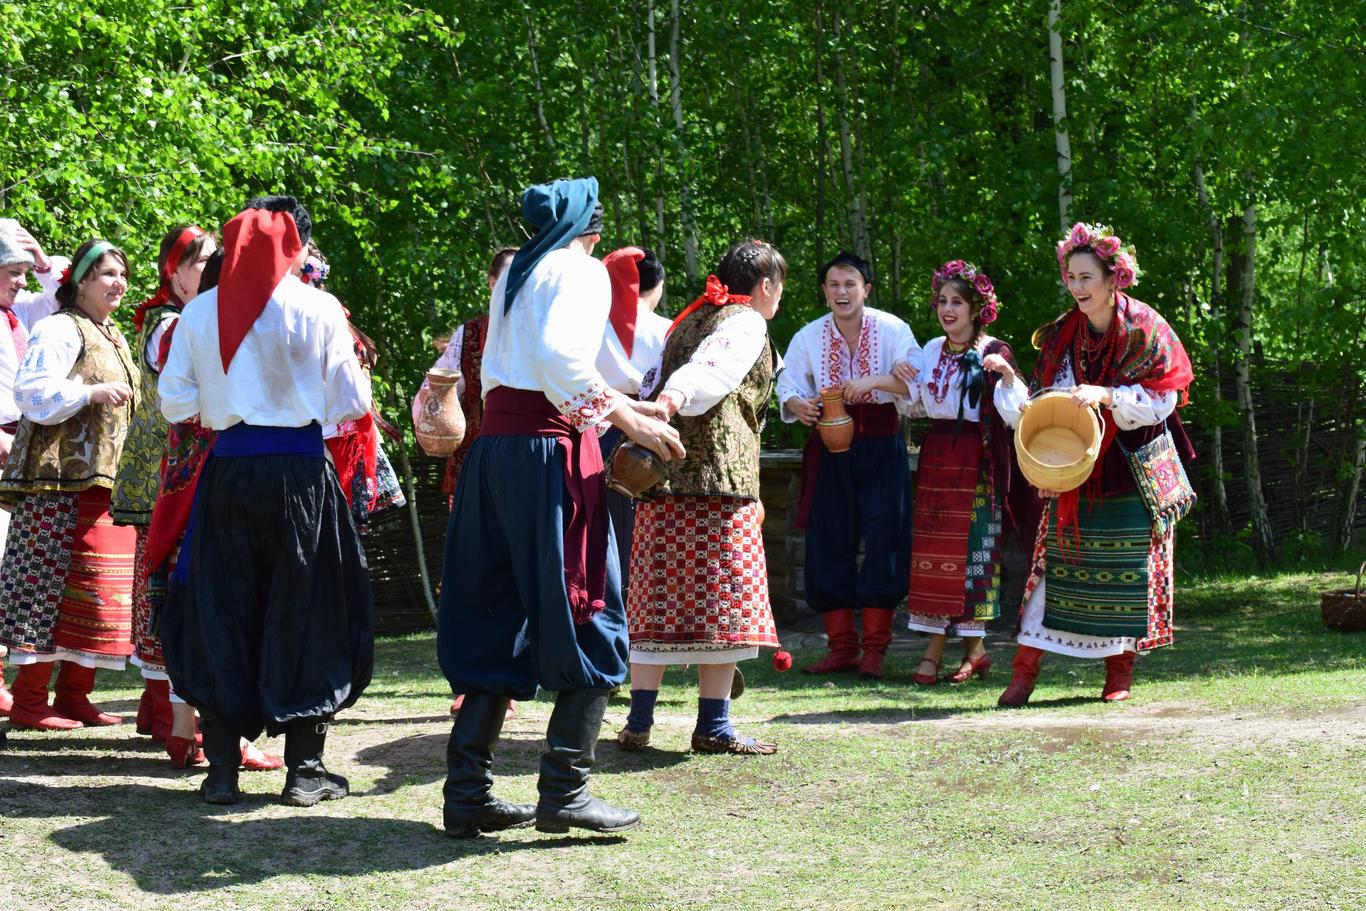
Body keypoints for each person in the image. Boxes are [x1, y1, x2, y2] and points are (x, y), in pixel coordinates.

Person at [438, 176, 683, 839]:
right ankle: (565, 791)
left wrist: (625, 408)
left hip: (495, 453)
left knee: (496, 613)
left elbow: (539, 369)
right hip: (549, 455)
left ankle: (467, 795)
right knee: (590, 606)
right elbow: (562, 364)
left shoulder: (517, 272)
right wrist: (630, 421)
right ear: (592, 231)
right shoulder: (580, 270)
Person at [158, 195, 374, 805]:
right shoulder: (319, 307)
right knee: (308, 607)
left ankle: (222, 771)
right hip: (301, 474)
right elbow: (352, 402)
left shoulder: (199, 313)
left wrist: (228, 401)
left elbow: (175, 402)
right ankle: (304, 771)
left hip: (229, 474)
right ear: (295, 246)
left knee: (223, 608)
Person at [996, 223, 1194, 707]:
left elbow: (1163, 399)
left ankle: (1118, 675)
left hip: (1131, 467)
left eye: (1087, 277)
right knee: (1055, 566)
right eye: (1071, 277)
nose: (1077, 287)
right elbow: (1045, 399)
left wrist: (1107, 395)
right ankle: (1023, 676)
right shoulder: (1065, 333)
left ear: (1113, 279)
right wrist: (1011, 384)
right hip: (1077, 464)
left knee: (1129, 572)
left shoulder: (1146, 328)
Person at [617, 239, 785, 755]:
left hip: (662, 479)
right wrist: (672, 401)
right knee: (723, 604)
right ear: (765, 286)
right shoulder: (745, 321)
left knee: (656, 598)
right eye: (780, 288)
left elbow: (649, 377)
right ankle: (713, 725)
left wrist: (649, 410)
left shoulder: (687, 319)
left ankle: (639, 722)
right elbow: (710, 371)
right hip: (718, 484)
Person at [0, 239, 139, 730]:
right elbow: (31, 393)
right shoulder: (59, 327)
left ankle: (75, 695)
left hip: (106, 487)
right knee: (49, 590)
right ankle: (30, 701)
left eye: (123, 275)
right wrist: (89, 392)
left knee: (100, 594)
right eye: (107, 274)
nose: (118, 283)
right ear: (81, 282)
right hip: (58, 488)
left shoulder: (113, 333)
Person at [776, 252, 919, 679]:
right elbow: (787, 383)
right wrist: (796, 404)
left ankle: (874, 649)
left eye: (850, 284)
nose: (842, 292)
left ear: (866, 289)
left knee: (885, 537)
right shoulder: (807, 336)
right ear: (824, 291)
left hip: (881, 444)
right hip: (830, 446)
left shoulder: (893, 329)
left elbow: (915, 379)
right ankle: (840, 647)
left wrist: (874, 380)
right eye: (834, 285)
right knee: (828, 539)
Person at [889, 261, 1026, 684]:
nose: (947, 310)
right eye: (942, 301)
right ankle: (966, 650)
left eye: (957, 303)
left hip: (978, 459)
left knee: (971, 554)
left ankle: (946, 651)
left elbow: (1018, 413)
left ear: (976, 309)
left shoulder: (994, 351)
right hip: (937, 459)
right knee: (934, 555)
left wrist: (1006, 376)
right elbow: (913, 401)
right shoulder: (931, 349)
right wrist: (890, 378)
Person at [109, 224, 217, 761]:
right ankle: (174, 718)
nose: (211, 272)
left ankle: (163, 714)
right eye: (201, 263)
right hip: (168, 476)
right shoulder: (169, 323)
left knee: (166, 585)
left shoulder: (181, 317)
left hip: (177, 472)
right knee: (170, 587)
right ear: (174, 272)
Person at [418, 246, 517, 720]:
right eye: (506, 278)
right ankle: (470, 681)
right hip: (473, 469)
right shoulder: (470, 334)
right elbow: (437, 391)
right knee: (471, 572)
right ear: (490, 283)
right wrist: (432, 411)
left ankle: (511, 675)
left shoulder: (545, 327)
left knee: (519, 571)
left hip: (527, 467)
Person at [0, 219, 68, 717]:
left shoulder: (18, 312)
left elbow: (63, 302)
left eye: (24, 272)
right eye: (13, 271)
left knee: (10, 565)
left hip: (18, 446)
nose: (21, 282)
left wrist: (44, 264)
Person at [596, 245, 670, 592]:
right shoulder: (669, 330)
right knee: (647, 530)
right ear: (659, 285)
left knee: (599, 530)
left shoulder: (589, 326)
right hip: (651, 433)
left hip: (595, 430)